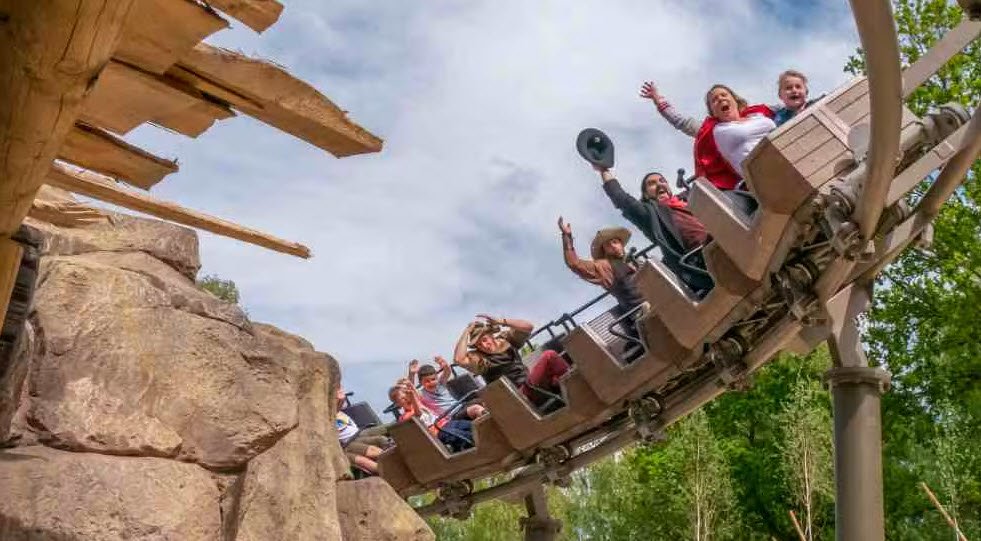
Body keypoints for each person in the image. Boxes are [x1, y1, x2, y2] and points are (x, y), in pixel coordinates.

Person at [640, 82, 776, 190]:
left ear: (735, 100)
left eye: (724, 95)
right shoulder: (714, 131)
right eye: (714, 100)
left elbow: (791, 106)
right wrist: (657, 99)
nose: (720, 99)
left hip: (786, 155)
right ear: (713, 112)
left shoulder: (759, 114)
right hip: (760, 177)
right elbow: (680, 122)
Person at [453, 314, 569, 407]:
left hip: (531, 384)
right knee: (549, 355)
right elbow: (459, 359)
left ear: (491, 336)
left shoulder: (505, 340)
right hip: (519, 394)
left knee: (555, 378)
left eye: (485, 339)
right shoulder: (481, 359)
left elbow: (528, 327)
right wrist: (467, 331)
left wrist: (501, 321)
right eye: (479, 344)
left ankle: (575, 391)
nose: (484, 345)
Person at [557, 218, 644, 310]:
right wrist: (567, 236)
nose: (613, 246)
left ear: (621, 244)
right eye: (608, 245)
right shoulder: (605, 266)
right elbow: (574, 263)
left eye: (615, 242)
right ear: (605, 251)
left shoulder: (637, 260)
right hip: (641, 310)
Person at [390, 378, 474, 452]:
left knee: (472, 426)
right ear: (397, 403)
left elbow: (416, 395)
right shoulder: (405, 417)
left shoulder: (417, 403)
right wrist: (412, 396)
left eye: (406, 395)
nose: (406, 399)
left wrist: (409, 385)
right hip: (437, 433)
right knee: (466, 435)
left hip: (445, 424)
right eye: (402, 398)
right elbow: (418, 414)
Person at [408, 357, 487, 420]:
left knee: (484, 400)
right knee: (475, 409)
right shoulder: (422, 394)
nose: (431, 382)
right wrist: (411, 374)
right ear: (421, 383)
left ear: (437, 378)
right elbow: (410, 391)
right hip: (450, 415)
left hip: (460, 406)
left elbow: (447, 371)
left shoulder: (441, 384)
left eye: (433, 379)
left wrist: (444, 364)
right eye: (427, 381)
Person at [335, 384, 389, 475]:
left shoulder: (338, 412)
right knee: (378, 443)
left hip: (360, 432)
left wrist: (339, 390)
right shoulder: (328, 414)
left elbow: (340, 400)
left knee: (389, 429)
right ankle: (390, 468)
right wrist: (340, 397)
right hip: (349, 441)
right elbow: (340, 401)